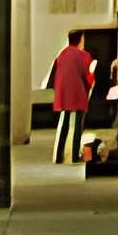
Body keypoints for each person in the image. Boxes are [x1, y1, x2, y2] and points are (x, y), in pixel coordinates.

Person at [49, 27, 96, 163]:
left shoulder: (62, 55)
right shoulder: (84, 55)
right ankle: (74, 156)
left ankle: (58, 156)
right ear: (81, 40)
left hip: (63, 94)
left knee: (63, 124)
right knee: (76, 127)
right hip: (77, 94)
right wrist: (92, 81)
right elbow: (87, 76)